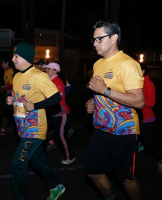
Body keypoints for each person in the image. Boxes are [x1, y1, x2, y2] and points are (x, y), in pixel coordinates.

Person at [85, 20, 144, 200]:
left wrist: (105, 91)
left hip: (123, 132)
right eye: (93, 40)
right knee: (93, 172)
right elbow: (101, 92)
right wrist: (93, 102)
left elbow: (139, 101)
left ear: (114, 38)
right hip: (100, 129)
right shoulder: (97, 64)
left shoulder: (127, 64)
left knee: (126, 179)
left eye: (99, 39)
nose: (95, 43)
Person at [6, 42, 65, 200]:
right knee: (38, 160)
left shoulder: (39, 76)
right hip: (21, 128)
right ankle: (55, 186)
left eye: (16, 56)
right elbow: (21, 99)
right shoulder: (17, 76)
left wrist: (36, 105)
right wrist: (11, 101)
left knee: (18, 165)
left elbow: (56, 97)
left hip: (34, 129)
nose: (13, 59)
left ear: (25, 58)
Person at [43, 62, 76, 164]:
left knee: (61, 136)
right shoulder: (49, 81)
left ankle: (70, 157)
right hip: (52, 114)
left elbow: (56, 99)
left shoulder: (57, 82)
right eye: (46, 68)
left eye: (49, 69)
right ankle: (42, 157)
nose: (46, 70)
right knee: (42, 133)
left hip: (61, 114)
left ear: (55, 71)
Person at [137, 64, 162, 173]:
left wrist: (136, 100)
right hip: (136, 118)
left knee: (149, 143)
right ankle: (139, 144)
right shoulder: (137, 83)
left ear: (143, 71)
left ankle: (160, 160)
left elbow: (151, 103)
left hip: (147, 119)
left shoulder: (149, 84)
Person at [0, 58, 15, 135]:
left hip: (12, 96)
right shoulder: (5, 71)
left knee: (9, 113)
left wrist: (4, 89)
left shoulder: (11, 71)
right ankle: (3, 129)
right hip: (8, 95)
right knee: (6, 113)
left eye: (3, 63)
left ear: (7, 63)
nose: (1, 65)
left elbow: (13, 85)